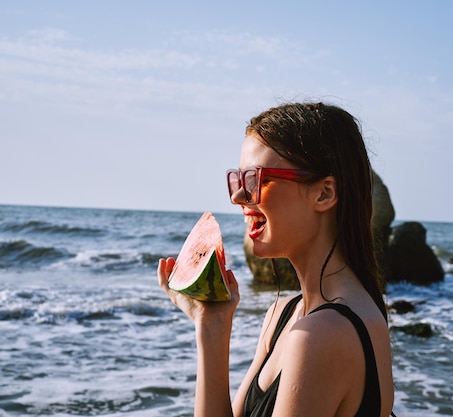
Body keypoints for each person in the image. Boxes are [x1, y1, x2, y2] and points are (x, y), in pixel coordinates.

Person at [158, 102, 394, 417]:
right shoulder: (284, 314)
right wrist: (212, 325)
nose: (238, 197)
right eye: (238, 180)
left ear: (323, 194)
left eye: (256, 180)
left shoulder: (322, 335)